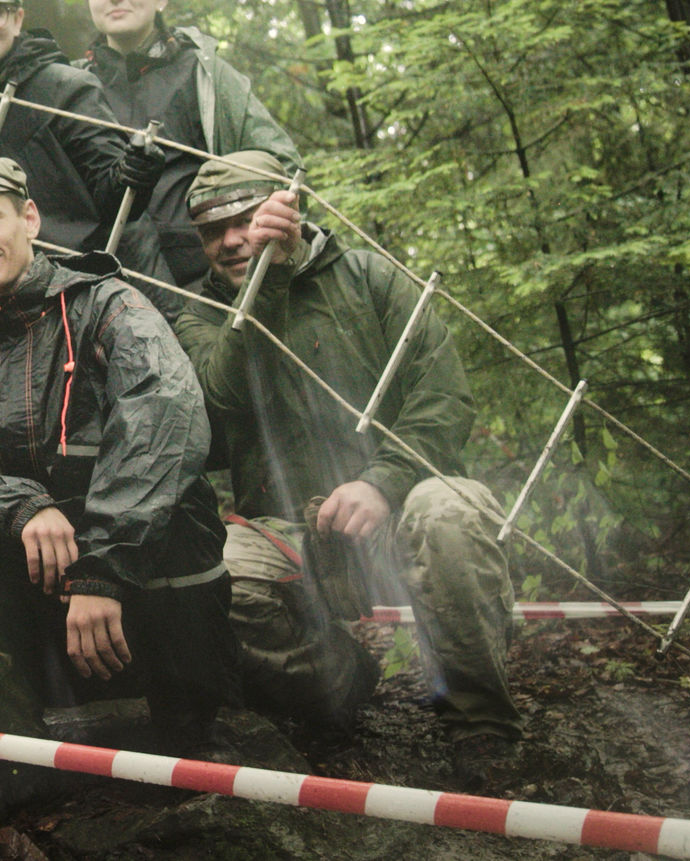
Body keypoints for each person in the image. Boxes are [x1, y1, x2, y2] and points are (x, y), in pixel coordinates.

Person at [0, 154, 235, 828]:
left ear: (29, 218)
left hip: (132, 605)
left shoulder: (111, 306)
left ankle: (190, 736)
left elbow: (167, 422)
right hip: (28, 618)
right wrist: (20, 506)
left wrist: (102, 570)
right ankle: (7, 760)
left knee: (180, 503)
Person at [172, 152, 519, 764]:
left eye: (245, 219)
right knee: (206, 578)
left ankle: (480, 721)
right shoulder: (197, 313)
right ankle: (342, 682)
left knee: (450, 513)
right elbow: (224, 395)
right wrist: (270, 281)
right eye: (210, 230)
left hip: (401, 506)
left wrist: (382, 483)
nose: (229, 240)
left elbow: (444, 396)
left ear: (287, 209)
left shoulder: (369, 276)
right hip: (288, 530)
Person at [80, 0, 300, 287]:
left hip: (205, 278)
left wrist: (248, 236)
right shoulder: (74, 86)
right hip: (105, 284)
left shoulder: (203, 74)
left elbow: (280, 164)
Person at [0, 0, 168, 264]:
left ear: (17, 19)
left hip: (101, 276)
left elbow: (116, 199)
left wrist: (133, 171)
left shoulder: (65, 88)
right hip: (10, 281)